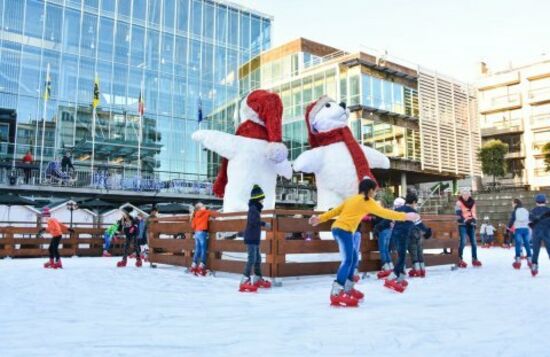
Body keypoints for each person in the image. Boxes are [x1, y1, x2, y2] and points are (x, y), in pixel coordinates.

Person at [309, 177, 419, 306]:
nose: (375, 193)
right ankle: (336, 293)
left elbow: (335, 211)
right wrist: (405, 216)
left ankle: (348, 289)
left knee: (354, 259)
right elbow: (385, 213)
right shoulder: (367, 201)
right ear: (369, 190)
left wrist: (319, 219)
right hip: (343, 230)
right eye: (374, 191)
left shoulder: (351, 199)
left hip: (343, 230)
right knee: (348, 260)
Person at [239, 185, 272, 292]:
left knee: (258, 258)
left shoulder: (255, 208)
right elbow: (253, 222)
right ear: (258, 198)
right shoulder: (253, 209)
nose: (263, 201)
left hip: (254, 238)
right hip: (251, 238)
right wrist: (264, 224)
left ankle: (257, 278)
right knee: (252, 259)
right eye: (262, 199)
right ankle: (244, 279)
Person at [404, 193, 433, 278]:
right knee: (419, 251)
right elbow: (419, 224)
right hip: (418, 233)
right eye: (416, 203)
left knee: (413, 252)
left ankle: (416, 270)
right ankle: (422, 269)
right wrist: (426, 231)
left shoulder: (403, 210)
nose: (415, 205)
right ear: (413, 202)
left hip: (409, 234)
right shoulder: (414, 212)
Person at [455, 188, 482, 268]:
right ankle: (459, 258)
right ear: (461, 195)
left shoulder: (473, 202)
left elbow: (473, 212)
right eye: (464, 194)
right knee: (463, 241)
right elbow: (458, 214)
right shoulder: (458, 203)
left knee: (474, 242)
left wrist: (473, 220)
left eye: (467, 194)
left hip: (471, 224)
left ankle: (474, 258)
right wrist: (466, 220)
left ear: (469, 195)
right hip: (462, 224)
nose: (466, 195)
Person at [190, 202, 217, 276]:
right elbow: (215, 214)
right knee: (203, 249)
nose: (204, 206)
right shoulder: (206, 212)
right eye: (203, 205)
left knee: (197, 249)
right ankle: (201, 266)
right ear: (200, 208)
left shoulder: (195, 214)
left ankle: (194, 265)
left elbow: (193, 225)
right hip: (202, 232)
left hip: (197, 232)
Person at [529, 194, 550, 276]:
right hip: (547, 232)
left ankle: (534, 266)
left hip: (536, 232)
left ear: (536, 202)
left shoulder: (533, 211)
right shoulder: (548, 210)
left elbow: (530, 222)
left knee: (535, 250)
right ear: (545, 201)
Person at [508, 198, 532, 269]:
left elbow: (512, 219)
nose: (512, 205)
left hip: (518, 229)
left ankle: (518, 260)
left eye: (512, 203)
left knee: (518, 244)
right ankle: (529, 260)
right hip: (526, 229)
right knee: (527, 244)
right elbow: (529, 219)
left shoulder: (515, 211)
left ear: (515, 203)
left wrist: (508, 227)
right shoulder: (525, 210)